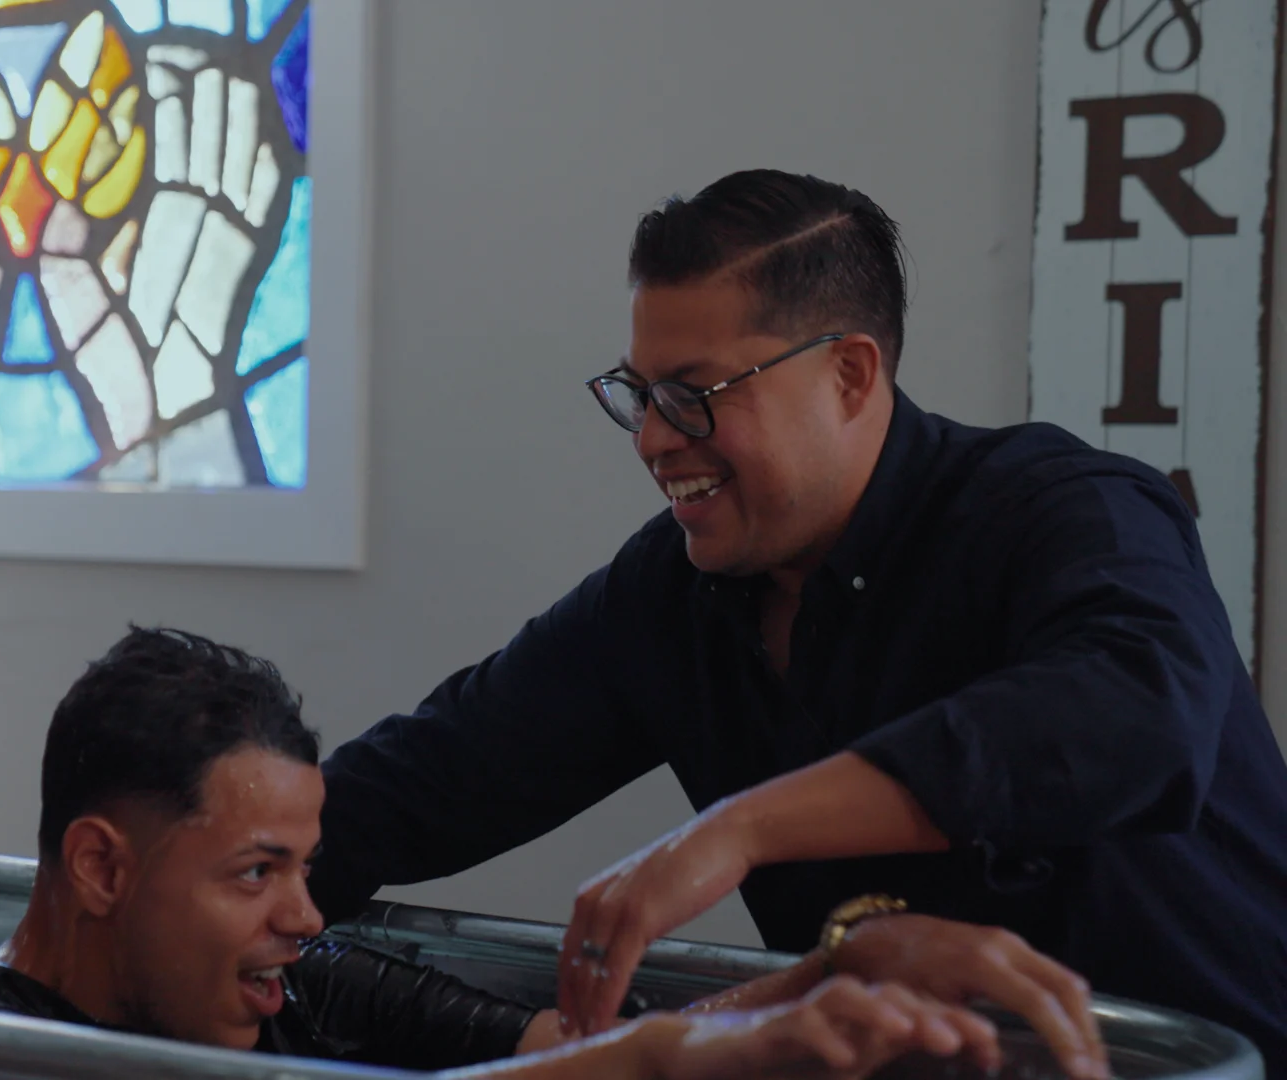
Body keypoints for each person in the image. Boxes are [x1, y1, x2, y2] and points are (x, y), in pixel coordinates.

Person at [306, 169, 1287, 1079]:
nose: (652, 439)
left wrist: (739, 831)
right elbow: (438, 776)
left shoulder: (1064, 508)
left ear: (851, 376)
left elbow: (1138, 712)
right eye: (639, 395)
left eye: (694, 396)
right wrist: (199, 865)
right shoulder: (668, 592)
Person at [0, 626, 1084, 1079]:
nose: (304, 914)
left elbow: (570, 1054)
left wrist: (839, 974)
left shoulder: (301, 986)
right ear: (102, 869)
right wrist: (670, 1063)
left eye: (300, 870)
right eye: (254, 872)